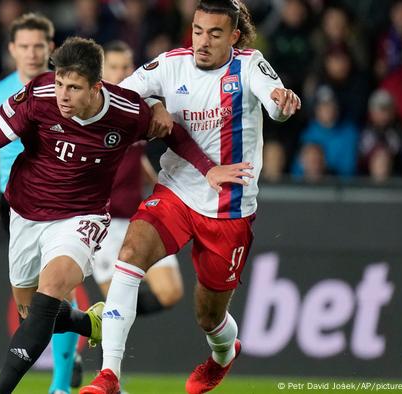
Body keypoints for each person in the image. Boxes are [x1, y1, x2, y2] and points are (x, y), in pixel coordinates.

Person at [0, 36, 241, 394]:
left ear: (96, 88)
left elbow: (174, 134)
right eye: (59, 83)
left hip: (81, 217)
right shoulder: (38, 98)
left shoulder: (127, 112)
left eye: (73, 87)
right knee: (33, 315)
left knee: (52, 289)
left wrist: (208, 169)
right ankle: (90, 324)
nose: (63, 95)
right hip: (26, 212)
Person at [81, 1, 301, 393]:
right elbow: (121, 94)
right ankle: (110, 374)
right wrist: (152, 103)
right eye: (198, 31)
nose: (203, 41)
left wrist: (283, 103)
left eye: (215, 34)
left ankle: (223, 354)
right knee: (129, 255)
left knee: (209, 316)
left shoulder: (249, 65)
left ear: (233, 36)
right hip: (176, 190)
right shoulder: (170, 64)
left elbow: (274, 102)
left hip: (229, 208)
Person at [0, 13, 82, 393]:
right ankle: (82, 329)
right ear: (12, 49)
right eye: (24, 46)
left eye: (39, 46)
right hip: (17, 205)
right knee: (32, 307)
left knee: (55, 287)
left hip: (63, 202)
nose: (31, 54)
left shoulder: (70, 91)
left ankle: (59, 385)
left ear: (52, 48)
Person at [93, 40, 183, 318]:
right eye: (114, 67)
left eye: (126, 66)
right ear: (101, 72)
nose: (121, 73)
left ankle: (107, 319)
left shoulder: (142, 107)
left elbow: (137, 154)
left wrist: (158, 185)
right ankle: (106, 331)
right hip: (104, 225)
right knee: (116, 303)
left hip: (140, 217)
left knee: (170, 292)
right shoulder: (92, 112)